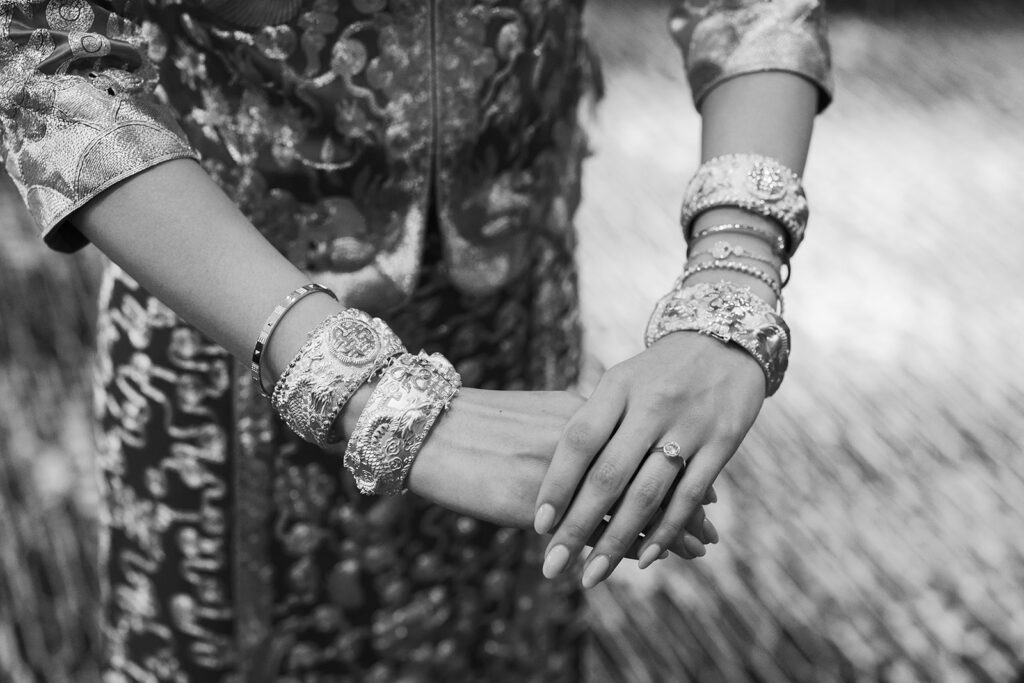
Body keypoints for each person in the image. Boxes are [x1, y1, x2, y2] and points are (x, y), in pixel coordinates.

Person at [0, 0, 832, 680]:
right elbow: (37, 50)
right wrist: (359, 388)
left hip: (520, 332)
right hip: (226, 331)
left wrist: (734, 274)